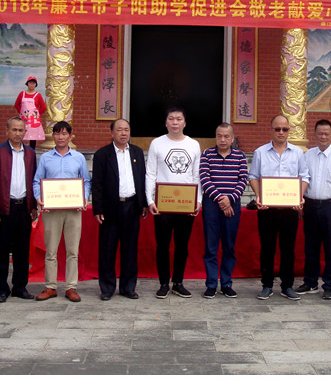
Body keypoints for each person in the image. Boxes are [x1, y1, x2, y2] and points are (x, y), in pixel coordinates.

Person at [249, 114, 309, 301]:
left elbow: (304, 176)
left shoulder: (297, 153)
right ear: (271, 130)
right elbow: (253, 177)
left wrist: (299, 196)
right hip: (267, 209)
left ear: (289, 130)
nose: (281, 132)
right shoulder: (260, 152)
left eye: (284, 129)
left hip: (290, 210)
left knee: (288, 249)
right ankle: (267, 285)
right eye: (277, 129)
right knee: (267, 248)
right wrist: (259, 196)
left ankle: (287, 286)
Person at [146, 107, 202, 299]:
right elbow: (150, 173)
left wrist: (198, 200)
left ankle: (178, 282)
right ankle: (163, 283)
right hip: (163, 204)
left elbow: (196, 175)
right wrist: (150, 200)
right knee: (162, 245)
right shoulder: (157, 143)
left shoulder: (193, 145)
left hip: (186, 204)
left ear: (185, 122)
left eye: (179, 119)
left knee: (182, 245)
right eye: (171, 119)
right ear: (166, 122)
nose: (175, 122)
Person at [33, 121, 91, 302]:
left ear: (70, 136)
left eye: (64, 134)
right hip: (52, 210)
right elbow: (37, 181)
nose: (60, 137)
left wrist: (84, 198)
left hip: (73, 209)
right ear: (53, 136)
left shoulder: (79, 158)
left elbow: (86, 181)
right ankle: (50, 286)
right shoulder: (45, 158)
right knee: (51, 250)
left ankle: (71, 287)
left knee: (72, 250)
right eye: (57, 133)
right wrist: (39, 197)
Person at [92, 118, 147, 301]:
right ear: (112, 133)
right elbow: (97, 183)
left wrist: (143, 203)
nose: (124, 133)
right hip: (111, 208)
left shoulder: (137, 152)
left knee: (130, 250)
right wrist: (98, 208)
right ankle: (107, 288)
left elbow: (141, 179)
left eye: (126, 130)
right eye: (120, 130)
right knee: (107, 249)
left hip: (132, 206)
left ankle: (128, 287)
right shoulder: (102, 154)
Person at [295, 119, 331, 301]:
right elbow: (302, 179)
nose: (323, 137)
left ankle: (330, 285)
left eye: (326, 133)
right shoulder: (307, 155)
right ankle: (310, 282)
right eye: (320, 133)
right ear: (315, 135)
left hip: (330, 206)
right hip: (310, 205)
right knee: (311, 247)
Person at [0, 117, 38, 303]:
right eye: (14, 130)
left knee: (22, 250)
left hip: (23, 207)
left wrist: (33, 206)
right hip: (3, 208)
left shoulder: (30, 153)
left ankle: (20, 287)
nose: (17, 133)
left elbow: (34, 180)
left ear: (25, 132)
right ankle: (1, 289)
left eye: (21, 130)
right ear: (7, 131)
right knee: (1, 250)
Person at [199, 123, 248, 299]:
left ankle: (226, 283)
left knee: (229, 246)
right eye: (219, 136)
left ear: (232, 138)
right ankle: (211, 284)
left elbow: (243, 179)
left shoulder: (240, 156)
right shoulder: (207, 154)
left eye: (226, 136)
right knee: (211, 246)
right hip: (212, 204)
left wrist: (230, 199)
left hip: (232, 204)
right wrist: (221, 199)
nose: (223, 139)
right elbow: (205, 179)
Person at [14, 76, 47, 149]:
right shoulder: (22, 94)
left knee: (33, 137)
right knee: (21, 134)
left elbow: (43, 107)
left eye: (33, 83)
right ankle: (20, 150)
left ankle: (32, 152)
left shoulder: (38, 95)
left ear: (36, 85)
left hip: (33, 120)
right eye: (30, 82)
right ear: (27, 84)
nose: (32, 84)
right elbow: (16, 105)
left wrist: (36, 115)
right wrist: (22, 113)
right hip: (24, 119)